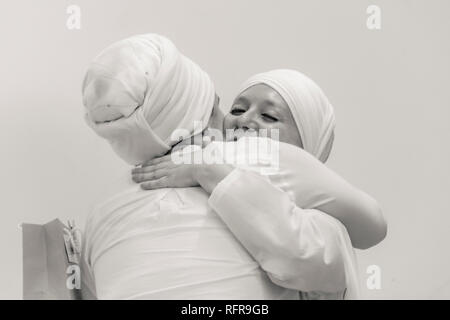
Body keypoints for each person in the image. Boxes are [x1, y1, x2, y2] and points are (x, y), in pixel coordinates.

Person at [82, 34, 384, 300]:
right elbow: (367, 231)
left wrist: (209, 170)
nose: (243, 120)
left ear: (310, 141)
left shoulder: (104, 204)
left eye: (270, 117)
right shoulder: (243, 160)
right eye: (236, 109)